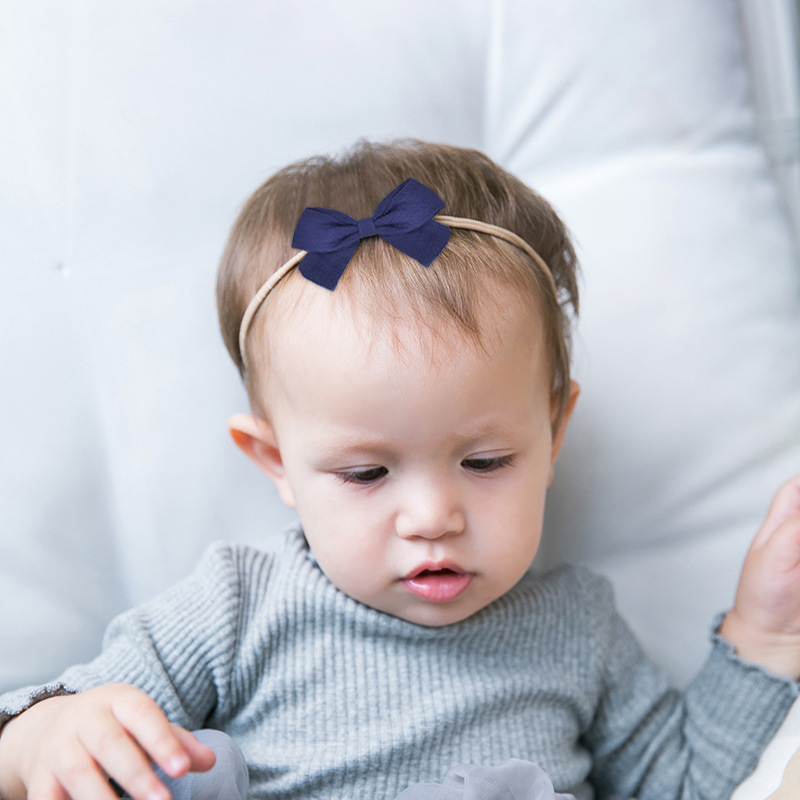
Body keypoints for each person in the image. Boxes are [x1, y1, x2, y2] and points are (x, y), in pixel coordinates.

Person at [0, 139, 799, 800]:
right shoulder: (237, 609)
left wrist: (763, 637)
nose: (431, 516)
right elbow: (42, 728)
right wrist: (45, 733)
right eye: (365, 474)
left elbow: (691, 784)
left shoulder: (577, 630)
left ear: (553, 431)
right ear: (276, 461)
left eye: (484, 461)